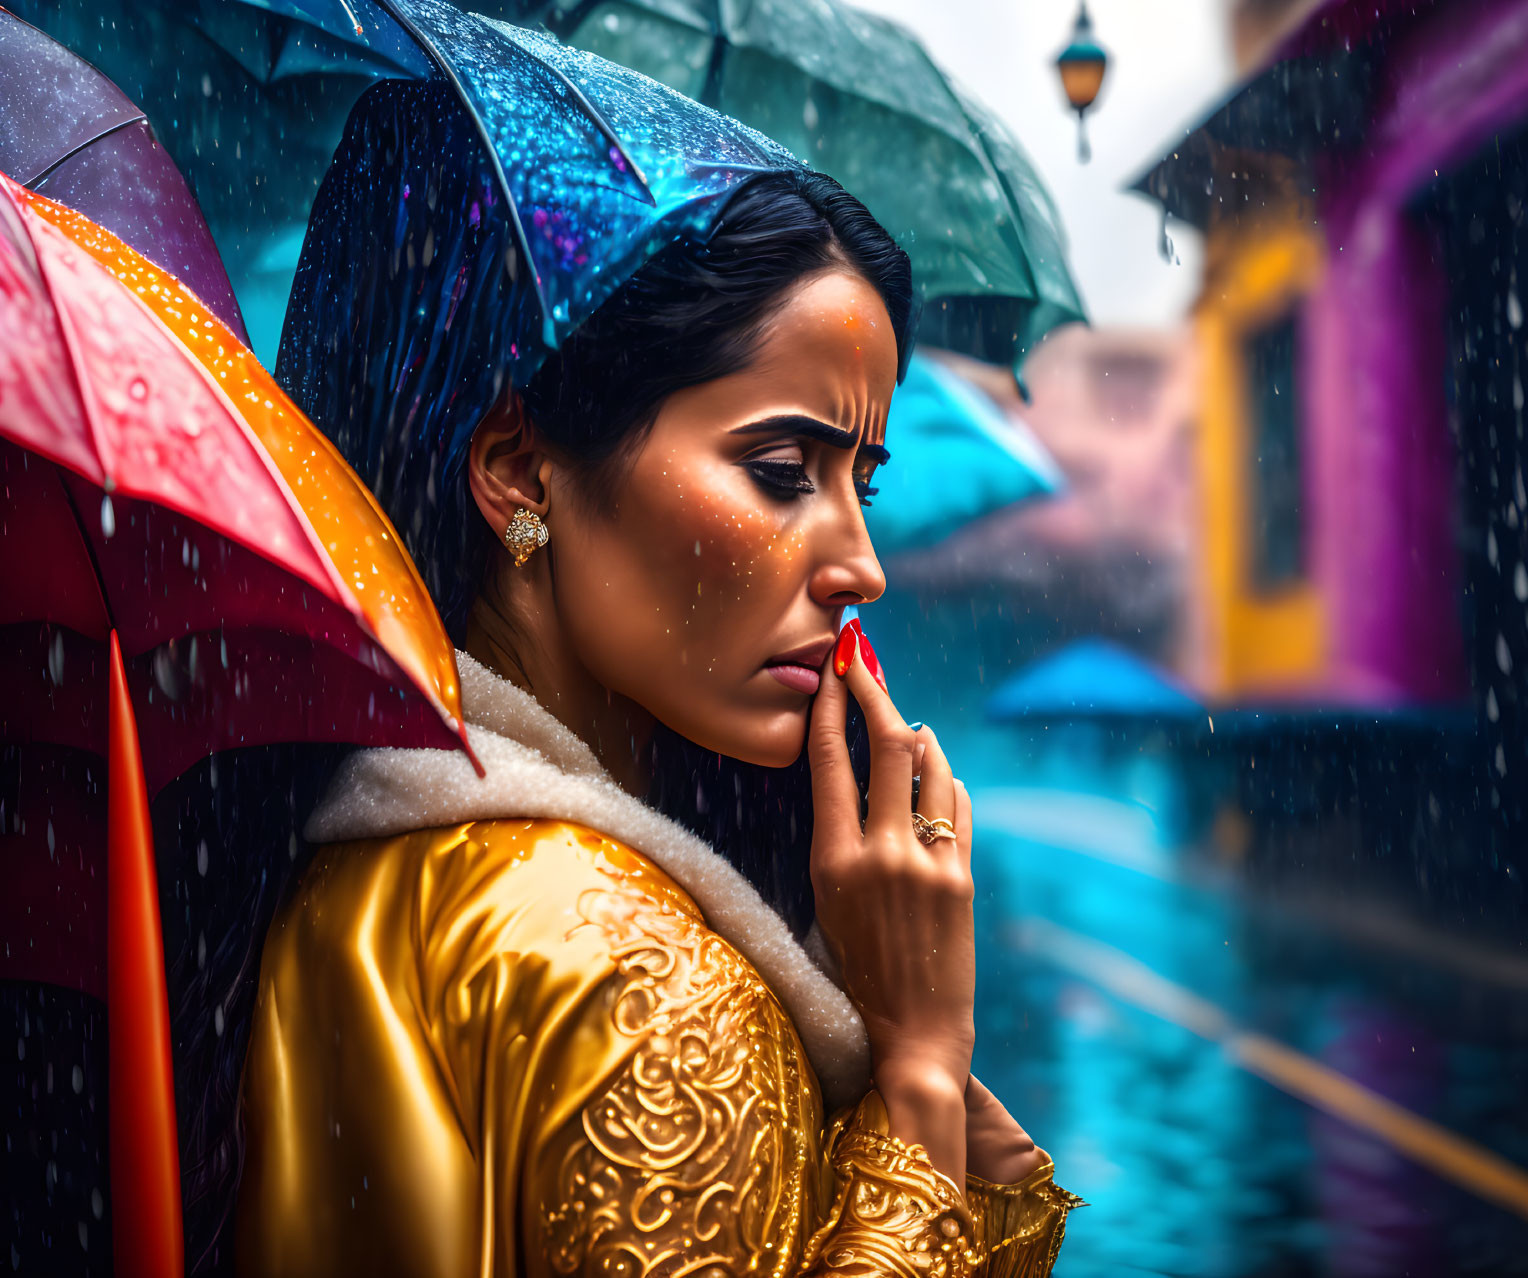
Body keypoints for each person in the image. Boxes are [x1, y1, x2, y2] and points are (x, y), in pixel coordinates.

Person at [235, 55, 1079, 1277]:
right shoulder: (640, 983)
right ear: (520, 471)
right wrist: (916, 1080)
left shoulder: (357, 870)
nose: (860, 564)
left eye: (863, 481)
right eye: (785, 472)